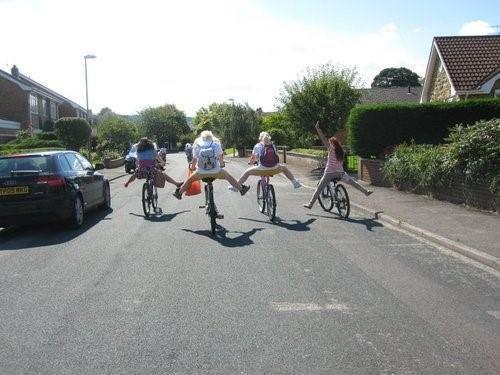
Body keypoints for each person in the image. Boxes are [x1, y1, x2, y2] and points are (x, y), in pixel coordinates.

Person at [304, 122, 372, 209]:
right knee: (353, 183)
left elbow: (322, 138)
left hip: (329, 173)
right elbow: (340, 162)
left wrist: (317, 129)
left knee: (319, 188)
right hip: (340, 173)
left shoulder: (330, 148)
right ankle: (366, 192)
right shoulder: (341, 151)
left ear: (331, 143)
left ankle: (310, 204)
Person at [173, 131, 250, 199]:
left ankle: (179, 193)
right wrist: (222, 164)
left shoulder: (197, 145)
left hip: (201, 172)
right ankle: (241, 189)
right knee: (229, 177)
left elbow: (194, 160)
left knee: (189, 180)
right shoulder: (216, 144)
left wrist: (192, 168)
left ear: (202, 137)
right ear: (211, 137)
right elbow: (221, 159)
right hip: (216, 171)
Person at [236, 131, 302, 189]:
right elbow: (276, 156)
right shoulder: (272, 145)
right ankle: (295, 183)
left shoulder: (257, 146)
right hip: (274, 168)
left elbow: (253, 159)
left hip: (262, 169)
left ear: (260, 138)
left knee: (247, 172)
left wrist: (250, 162)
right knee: (284, 168)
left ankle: (237, 186)